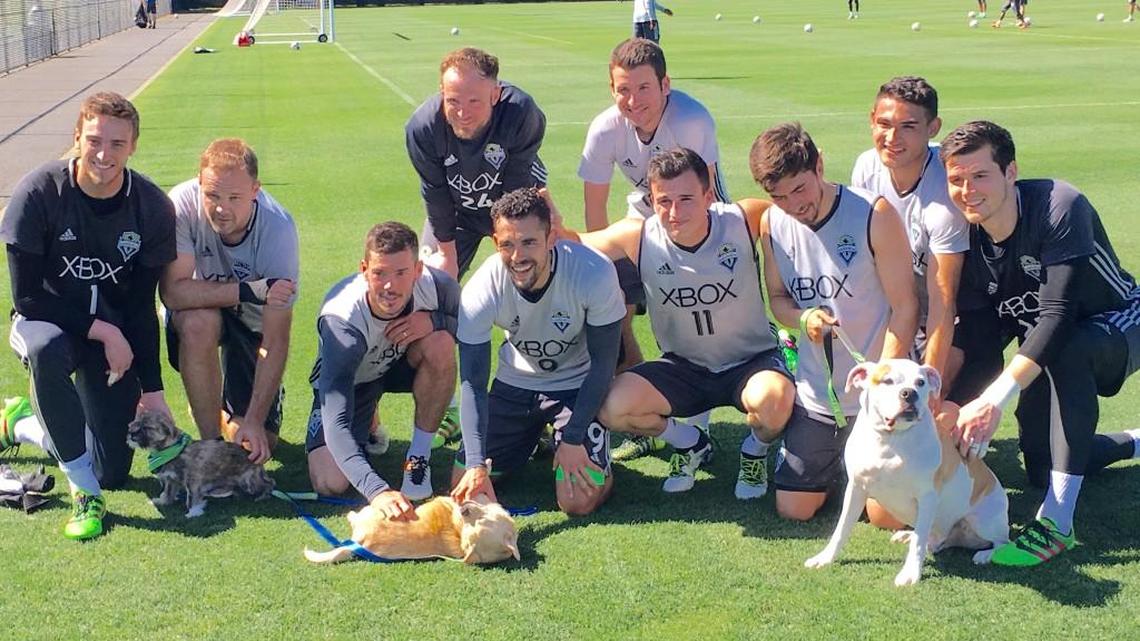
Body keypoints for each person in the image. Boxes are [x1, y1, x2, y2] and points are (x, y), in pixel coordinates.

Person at [942, 121, 1140, 566]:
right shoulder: (965, 240)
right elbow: (980, 341)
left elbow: (1057, 316)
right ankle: (1132, 442)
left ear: (1011, 171)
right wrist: (953, 407)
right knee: (1041, 465)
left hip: (1118, 319)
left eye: (980, 176)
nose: (968, 190)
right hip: (1047, 347)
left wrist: (994, 401)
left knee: (1067, 347)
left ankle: (1057, 526)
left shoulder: (1057, 205)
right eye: (956, 180)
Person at [567, 148, 796, 499]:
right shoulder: (638, 236)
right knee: (613, 406)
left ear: (708, 195)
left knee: (775, 401)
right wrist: (548, 221)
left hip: (751, 361)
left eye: (687, 199)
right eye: (664, 201)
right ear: (651, 200)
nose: (674, 213)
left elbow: (800, 215)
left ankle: (755, 449)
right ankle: (690, 443)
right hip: (685, 368)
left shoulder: (743, 218)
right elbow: (574, 245)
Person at [0, 92, 176, 540]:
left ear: (133, 146)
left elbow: (140, 307)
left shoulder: (152, 206)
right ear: (76, 137)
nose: (104, 154)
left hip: (112, 339)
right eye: (94, 140)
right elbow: (27, 299)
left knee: (112, 469)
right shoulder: (37, 193)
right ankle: (84, 495)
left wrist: (152, 391)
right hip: (48, 325)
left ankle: (19, 423)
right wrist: (103, 330)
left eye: (117, 144)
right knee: (44, 350)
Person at [750, 122, 917, 521]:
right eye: (778, 196)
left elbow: (906, 308)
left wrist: (883, 383)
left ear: (819, 165)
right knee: (794, 510)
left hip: (873, 399)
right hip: (817, 398)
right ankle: (835, 463)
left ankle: (861, 470)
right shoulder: (772, 223)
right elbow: (778, 300)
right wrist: (802, 316)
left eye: (800, 188)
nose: (793, 204)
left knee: (884, 517)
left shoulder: (873, 214)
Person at [578, 37, 725, 453]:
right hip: (641, 222)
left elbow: (703, 197)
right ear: (611, 90)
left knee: (692, 313)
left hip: (701, 222)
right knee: (607, 300)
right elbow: (595, 214)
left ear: (666, 85)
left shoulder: (692, 120)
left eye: (643, 87)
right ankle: (643, 405)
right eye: (623, 89)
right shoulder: (605, 128)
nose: (633, 99)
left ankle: (702, 414)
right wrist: (602, 276)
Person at [450, 188, 624, 516]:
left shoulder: (592, 272)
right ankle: (530, 439)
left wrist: (573, 438)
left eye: (529, 242)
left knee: (577, 502)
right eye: (507, 244)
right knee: (465, 489)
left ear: (551, 237)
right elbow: (472, 383)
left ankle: (581, 446)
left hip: (575, 388)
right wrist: (475, 463)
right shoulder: (480, 289)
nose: (518, 257)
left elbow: (603, 364)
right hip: (515, 384)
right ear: (494, 243)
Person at [851, 76, 969, 528]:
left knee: (928, 425)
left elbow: (943, 302)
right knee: (881, 508)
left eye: (908, 127)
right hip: (898, 309)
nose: (892, 138)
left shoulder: (943, 202)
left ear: (933, 127)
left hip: (957, 319)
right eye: (884, 124)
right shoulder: (866, 167)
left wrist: (932, 389)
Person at [160, 139, 298, 464]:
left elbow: (276, 339)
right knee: (198, 322)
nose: (222, 209)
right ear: (199, 184)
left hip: (252, 320)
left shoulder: (278, 230)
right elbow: (173, 293)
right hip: (202, 310)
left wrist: (253, 419)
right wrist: (248, 290)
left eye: (234, 197)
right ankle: (210, 448)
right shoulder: (180, 205)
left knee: (259, 444)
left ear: (256, 190)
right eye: (212, 195)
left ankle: (228, 411)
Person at [306, 222, 459, 515]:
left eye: (401, 273)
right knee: (330, 482)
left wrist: (436, 322)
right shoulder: (342, 323)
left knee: (441, 344)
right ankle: (368, 417)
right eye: (379, 273)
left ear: (418, 270)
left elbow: (474, 330)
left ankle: (418, 457)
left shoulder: (439, 287)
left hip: (400, 364)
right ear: (364, 269)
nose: (390, 286)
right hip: (354, 383)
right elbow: (335, 423)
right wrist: (377, 491)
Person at [405, 47, 548, 281]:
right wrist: (447, 256)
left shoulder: (521, 113)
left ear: (495, 95)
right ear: (442, 92)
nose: (463, 113)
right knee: (432, 283)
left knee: (533, 276)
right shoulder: (423, 128)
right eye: (453, 101)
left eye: (474, 101)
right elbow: (435, 192)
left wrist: (512, 246)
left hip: (517, 201)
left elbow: (517, 186)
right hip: (455, 209)